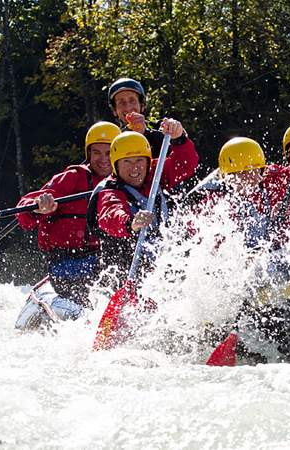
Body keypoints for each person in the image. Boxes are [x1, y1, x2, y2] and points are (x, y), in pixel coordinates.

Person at [14, 121, 120, 330]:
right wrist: (39, 207)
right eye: (97, 153)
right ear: (88, 154)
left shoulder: (122, 181)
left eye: (109, 152)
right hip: (66, 264)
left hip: (101, 264)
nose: (103, 159)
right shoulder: (73, 178)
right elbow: (25, 209)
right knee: (84, 295)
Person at [89, 130, 197, 277]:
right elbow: (111, 214)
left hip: (161, 259)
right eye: (127, 161)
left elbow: (186, 164)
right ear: (116, 165)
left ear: (147, 162)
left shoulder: (156, 172)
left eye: (139, 160)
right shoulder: (110, 191)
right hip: (125, 267)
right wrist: (131, 223)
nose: (134, 168)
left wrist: (179, 138)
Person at [184, 137, 271, 249]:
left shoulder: (258, 192)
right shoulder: (212, 203)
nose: (257, 178)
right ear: (231, 176)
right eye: (248, 173)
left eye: (257, 171)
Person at [107, 77, 195, 178]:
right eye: (121, 103)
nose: (127, 107)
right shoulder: (111, 137)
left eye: (132, 101)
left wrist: (177, 135)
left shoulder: (161, 128)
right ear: (114, 110)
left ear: (142, 105)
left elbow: (183, 162)